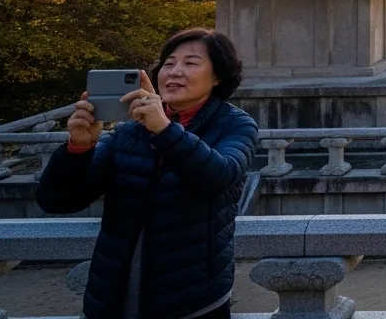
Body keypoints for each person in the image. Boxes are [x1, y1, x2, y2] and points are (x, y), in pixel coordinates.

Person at [37, 29, 257, 319]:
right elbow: (58, 201)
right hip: (112, 298)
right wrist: (79, 147)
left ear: (218, 76)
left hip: (192, 301)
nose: (175, 71)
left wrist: (164, 129)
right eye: (168, 63)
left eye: (190, 63)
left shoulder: (235, 125)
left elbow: (218, 177)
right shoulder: (128, 131)